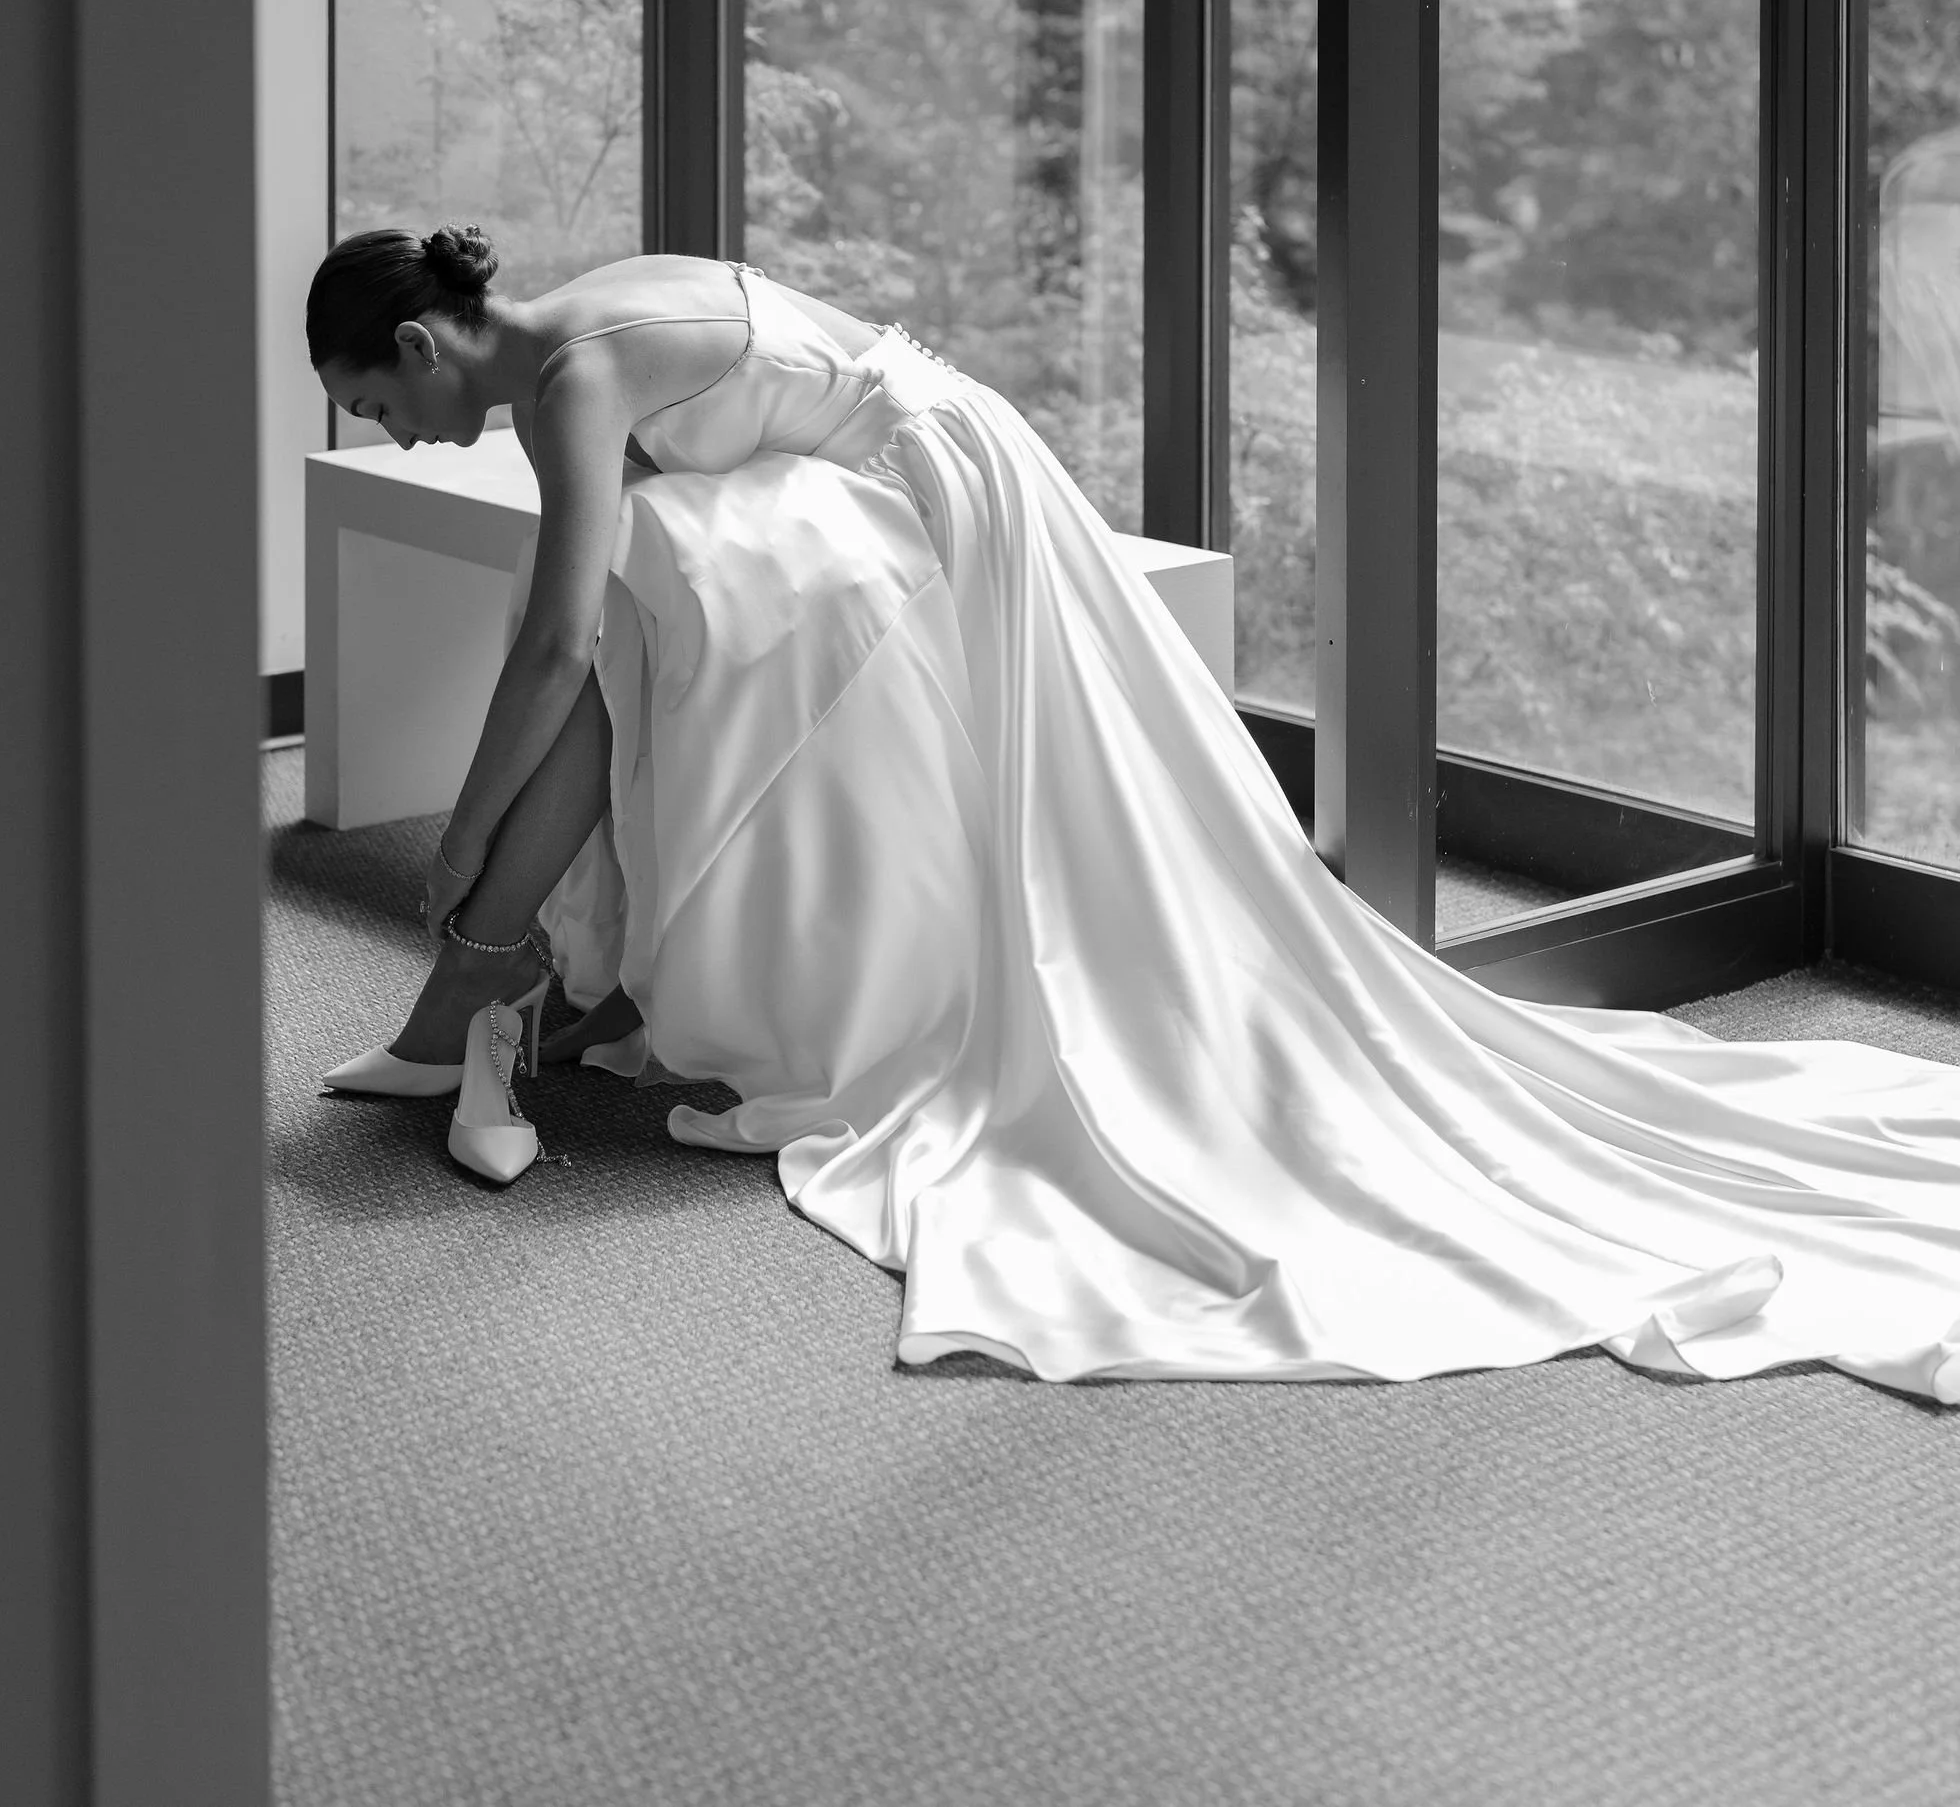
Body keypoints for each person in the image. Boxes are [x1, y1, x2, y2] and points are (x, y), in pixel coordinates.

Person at [308, 223, 1960, 1398]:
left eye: (380, 402)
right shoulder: (573, 328)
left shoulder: (568, 381)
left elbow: (553, 634)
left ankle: (501, 975)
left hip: (932, 479)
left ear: (427, 340)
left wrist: (459, 827)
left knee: (679, 635)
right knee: (677, 612)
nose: (398, 431)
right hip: (917, 455)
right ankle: (513, 990)